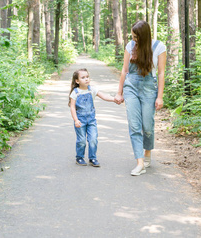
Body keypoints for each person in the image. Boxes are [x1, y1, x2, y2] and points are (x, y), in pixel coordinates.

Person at [115, 20, 167, 176]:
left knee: (147, 126)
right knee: (134, 125)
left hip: (149, 88)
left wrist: (160, 97)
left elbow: (161, 73)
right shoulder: (130, 46)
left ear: (144, 36)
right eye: (133, 36)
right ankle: (139, 162)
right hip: (131, 86)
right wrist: (120, 92)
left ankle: (147, 153)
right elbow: (125, 70)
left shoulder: (159, 47)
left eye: (137, 37)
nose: (134, 39)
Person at [69, 68, 116, 167]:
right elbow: (72, 107)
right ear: (77, 81)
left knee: (93, 139)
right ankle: (79, 157)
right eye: (83, 77)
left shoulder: (92, 90)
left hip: (91, 120)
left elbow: (104, 96)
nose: (86, 79)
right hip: (80, 121)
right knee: (81, 140)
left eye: (87, 77)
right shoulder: (75, 92)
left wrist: (114, 99)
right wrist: (76, 120)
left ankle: (92, 158)